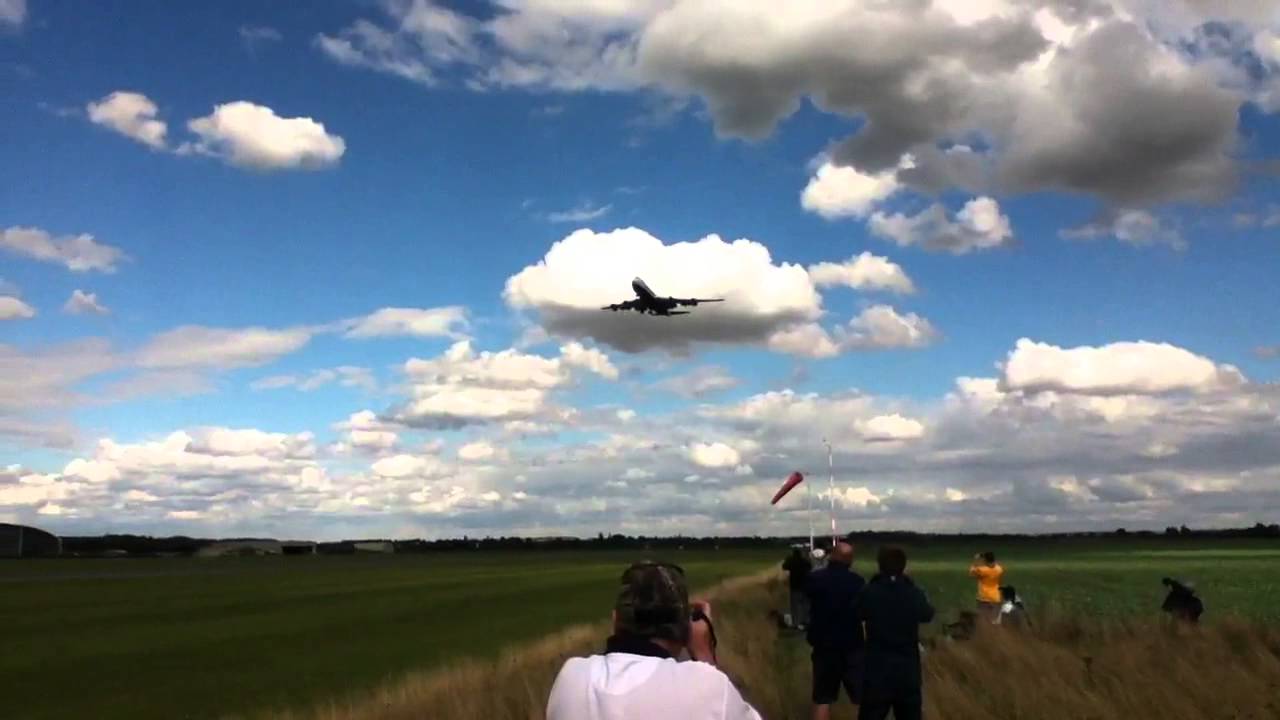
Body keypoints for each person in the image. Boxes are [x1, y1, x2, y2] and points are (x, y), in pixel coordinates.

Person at [545, 560, 762, 720]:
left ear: (616, 620)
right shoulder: (710, 687)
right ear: (684, 629)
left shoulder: (571, 676)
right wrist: (705, 655)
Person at [855, 546, 935, 720]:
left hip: (877, 670)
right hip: (907, 672)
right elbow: (927, 614)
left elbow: (857, 613)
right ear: (903, 566)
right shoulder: (913, 592)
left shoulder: (869, 591)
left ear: (879, 566)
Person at [804, 541, 866, 720]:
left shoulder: (816, 579)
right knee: (861, 698)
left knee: (822, 698)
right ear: (850, 561)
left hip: (824, 646)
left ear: (831, 557)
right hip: (852, 646)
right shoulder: (858, 582)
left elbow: (806, 594)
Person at [783, 546, 813, 630]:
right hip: (805, 585)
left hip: (795, 586)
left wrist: (788, 559)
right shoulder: (804, 561)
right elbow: (810, 567)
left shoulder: (791, 561)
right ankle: (806, 621)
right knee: (805, 605)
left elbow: (784, 567)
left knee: (794, 606)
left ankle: (795, 623)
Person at [969, 551, 1004, 622]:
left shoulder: (982, 570)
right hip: (995, 597)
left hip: (984, 598)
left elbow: (971, 573)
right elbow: (994, 565)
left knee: (982, 619)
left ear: (985, 560)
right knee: (994, 620)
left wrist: (975, 561)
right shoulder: (999, 569)